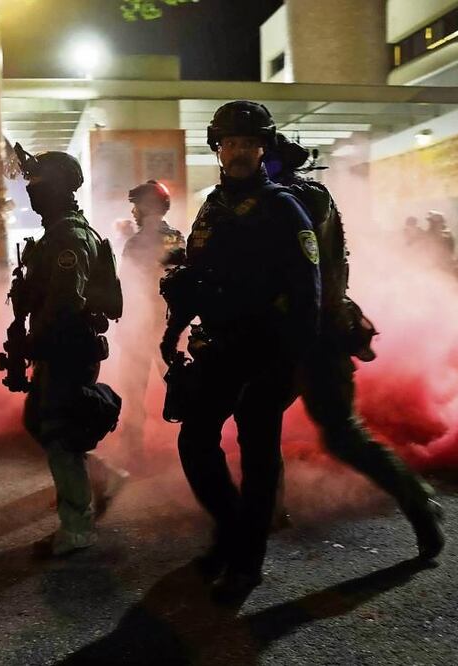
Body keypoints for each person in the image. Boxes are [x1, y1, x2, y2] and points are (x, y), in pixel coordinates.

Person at [160, 101, 321, 604]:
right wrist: (174, 329)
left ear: (263, 148)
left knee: (257, 456)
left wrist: (296, 362)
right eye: (230, 143)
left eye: (249, 143)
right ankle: (232, 532)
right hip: (219, 350)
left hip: (268, 351)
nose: (239, 152)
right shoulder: (211, 207)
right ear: (218, 148)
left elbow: (308, 290)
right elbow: (198, 280)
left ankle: (246, 562)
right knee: (195, 442)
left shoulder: (282, 206)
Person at [267, 133, 445, 561]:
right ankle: (268, 513)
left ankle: (418, 503)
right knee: (269, 425)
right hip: (304, 329)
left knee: (336, 433)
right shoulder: (307, 195)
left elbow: (297, 273)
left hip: (309, 332)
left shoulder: (294, 199)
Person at [6, 144, 126, 556]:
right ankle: (103, 478)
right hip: (59, 345)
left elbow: (64, 304)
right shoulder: (56, 234)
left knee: (59, 433)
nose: (32, 194)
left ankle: (77, 528)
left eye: (38, 186)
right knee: (38, 421)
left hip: (69, 347)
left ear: (59, 189)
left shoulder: (69, 238)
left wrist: (33, 342)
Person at [118, 180, 185, 466]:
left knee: (134, 392)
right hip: (170, 325)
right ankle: (188, 446)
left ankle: (133, 454)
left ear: (146, 207)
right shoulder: (177, 237)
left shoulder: (135, 243)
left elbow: (126, 285)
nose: (133, 212)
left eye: (136, 206)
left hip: (141, 326)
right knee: (179, 389)